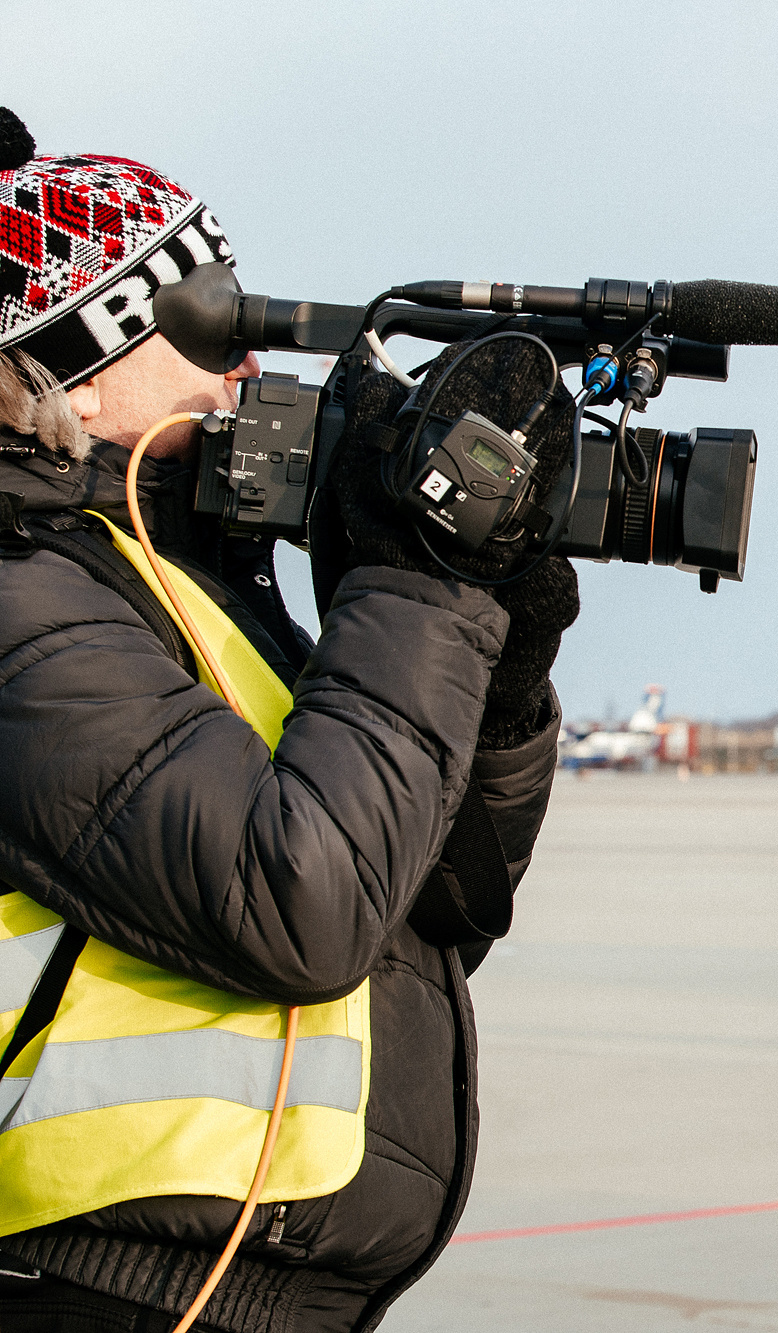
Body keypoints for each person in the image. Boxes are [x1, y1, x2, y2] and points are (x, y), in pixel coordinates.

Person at [0, 110, 577, 1331]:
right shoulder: (22, 593)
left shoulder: (181, 581)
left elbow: (443, 902)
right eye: (214, 326)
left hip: (253, 1288)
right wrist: (417, 584)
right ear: (77, 369)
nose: (246, 371)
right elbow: (300, 902)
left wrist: (502, 656)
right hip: (97, 1284)